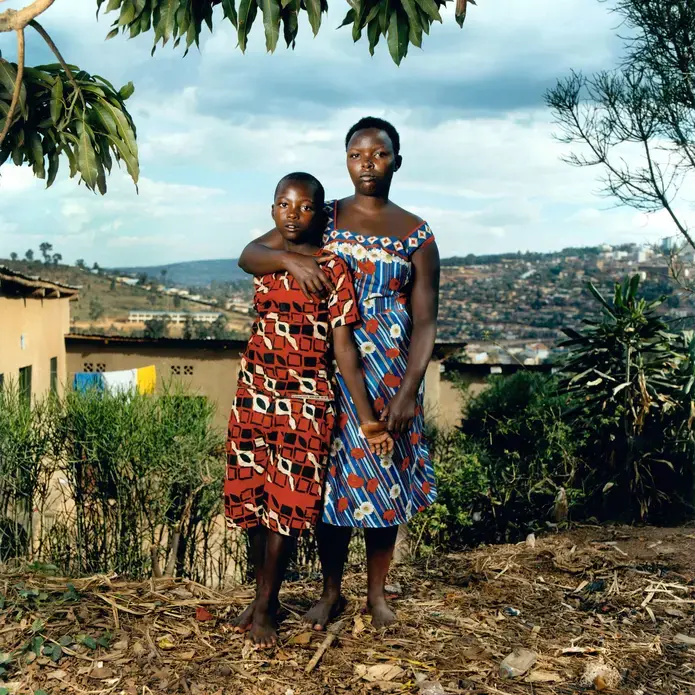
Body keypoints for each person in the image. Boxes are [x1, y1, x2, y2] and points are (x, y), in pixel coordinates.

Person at [238, 118, 440, 629]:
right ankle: (331, 593)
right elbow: (252, 253)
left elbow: (427, 320)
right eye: (356, 154)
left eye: (378, 154)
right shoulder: (320, 213)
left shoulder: (417, 233)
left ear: (397, 159)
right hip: (323, 368)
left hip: (388, 372)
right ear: (345, 160)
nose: (367, 164)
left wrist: (409, 391)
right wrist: (287, 257)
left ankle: (376, 595)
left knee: (384, 480)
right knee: (331, 483)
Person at [225, 171, 393, 647]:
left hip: (305, 399)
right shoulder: (268, 253)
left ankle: (263, 609)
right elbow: (245, 255)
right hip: (254, 392)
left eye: (303, 207)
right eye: (283, 204)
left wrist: (367, 416)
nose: (292, 214)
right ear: (272, 208)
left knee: (288, 502)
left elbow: (344, 350)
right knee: (254, 500)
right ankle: (266, 598)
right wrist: (287, 262)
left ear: (321, 212)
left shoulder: (335, 267)